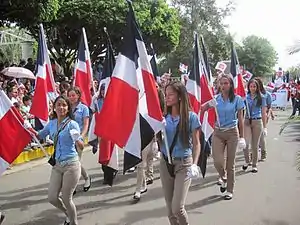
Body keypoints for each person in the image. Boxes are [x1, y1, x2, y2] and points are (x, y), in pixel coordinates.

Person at [36, 95, 84, 225]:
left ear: (68, 108)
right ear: (54, 108)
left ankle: (74, 222)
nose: (61, 107)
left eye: (64, 105)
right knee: (52, 197)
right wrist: (26, 128)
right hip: (57, 165)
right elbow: (39, 135)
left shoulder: (72, 124)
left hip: (71, 165)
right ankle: (68, 213)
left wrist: (77, 139)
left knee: (66, 198)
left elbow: (81, 146)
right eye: (59, 105)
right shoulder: (51, 124)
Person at [159, 81, 201, 225]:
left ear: (180, 96)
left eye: (171, 94)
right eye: (166, 95)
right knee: (170, 210)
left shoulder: (191, 117)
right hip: (165, 163)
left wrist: (194, 164)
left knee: (177, 207)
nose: (167, 97)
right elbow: (158, 139)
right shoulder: (163, 117)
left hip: (184, 163)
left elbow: (197, 144)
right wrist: (158, 128)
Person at [205, 75, 245, 200]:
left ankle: (230, 189)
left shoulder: (237, 99)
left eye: (226, 83)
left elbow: (240, 119)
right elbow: (202, 108)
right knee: (217, 161)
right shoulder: (215, 99)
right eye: (221, 84)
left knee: (230, 164)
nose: (223, 86)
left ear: (231, 85)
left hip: (232, 132)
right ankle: (223, 176)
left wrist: (242, 137)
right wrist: (206, 105)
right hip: (218, 133)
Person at [68, 87, 91, 193]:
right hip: (67, 139)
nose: (72, 97)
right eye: (70, 95)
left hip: (78, 138)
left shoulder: (83, 108)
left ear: (78, 96)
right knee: (71, 162)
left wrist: (81, 136)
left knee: (75, 162)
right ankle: (76, 183)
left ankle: (85, 179)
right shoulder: (67, 108)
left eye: (73, 95)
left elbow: (86, 124)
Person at [242, 79, 267, 173]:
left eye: (254, 86)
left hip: (257, 121)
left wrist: (265, 127)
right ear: (248, 87)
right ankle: (247, 161)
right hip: (247, 120)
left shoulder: (262, 97)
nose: (252, 88)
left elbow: (264, 112)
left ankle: (254, 164)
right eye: (251, 86)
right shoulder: (245, 97)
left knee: (255, 145)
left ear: (257, 87)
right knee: (246, 143)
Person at [255, 77, 273, 161]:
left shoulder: (266, 95)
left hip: (264, 116)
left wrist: (269, 115)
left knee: (261, 135)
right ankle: (255, 151)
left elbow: (269, 106)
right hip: (254, 118)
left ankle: (263, 152)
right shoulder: (251, 95)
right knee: (256, 136)